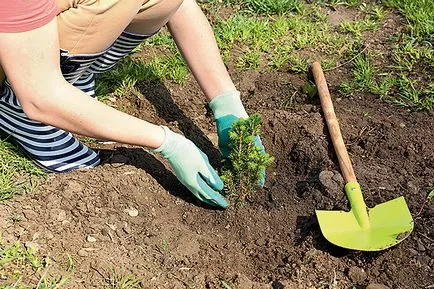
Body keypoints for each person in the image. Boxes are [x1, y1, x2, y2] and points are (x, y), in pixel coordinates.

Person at [0, 0, 265, 209]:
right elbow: (40, 96)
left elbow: (181, 5)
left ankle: (70, 77)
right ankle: (18, 111)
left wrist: (227, 106)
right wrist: (169, 143)